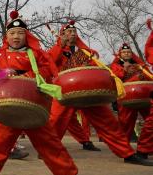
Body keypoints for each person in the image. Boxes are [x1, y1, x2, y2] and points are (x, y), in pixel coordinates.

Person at [0, 10, 78, 175]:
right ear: (6, 37)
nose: (16, 36)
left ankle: (67, 172)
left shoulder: (36, 53)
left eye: (20, 33)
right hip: (8, 102)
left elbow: (47, 69)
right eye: (12, 33)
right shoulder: (1, 54)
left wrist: (25, 76)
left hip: (33, 103)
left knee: (49, 142)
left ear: (26, 35)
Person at [47, 20, 153, 166]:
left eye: (74, 32)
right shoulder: (57, 50)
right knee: (56, 121)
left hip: (86, 91)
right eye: (69, 32)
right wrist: (59, 45)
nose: (72, 34)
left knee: (108, 122)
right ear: (62, 34)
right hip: (64, 91)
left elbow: (95, 67)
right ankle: (48, 150)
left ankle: (127, 154)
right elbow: (48, 62)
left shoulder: (84, 52)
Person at [111, 43, 153, 159]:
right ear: (120, 54)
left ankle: (147, 148)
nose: (126, 54)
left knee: (150, 120)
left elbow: (149, 76)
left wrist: (140, 69)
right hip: (126, 97)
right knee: (125, 125)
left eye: (128, 52)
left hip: (144, 96)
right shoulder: (116, 65)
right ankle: (125, 151)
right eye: (124, 52)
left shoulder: (140, 64)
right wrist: (124, 68)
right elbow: (116, 77)